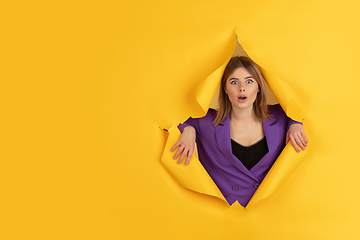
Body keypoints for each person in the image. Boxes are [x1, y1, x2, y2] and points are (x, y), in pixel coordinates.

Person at [170, 56, 308, 207]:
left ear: (259, 86)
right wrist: (188, 129)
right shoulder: (205, 122)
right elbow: (173, 114)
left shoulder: (281, 117)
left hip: (269, 210)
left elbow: (302, 106)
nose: (242, 88)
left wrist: (295, 122)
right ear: (225, 88)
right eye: (234, 82)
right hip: (224, 214)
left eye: (249, 81)